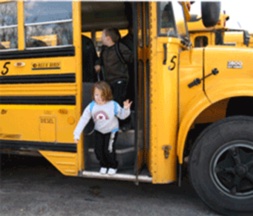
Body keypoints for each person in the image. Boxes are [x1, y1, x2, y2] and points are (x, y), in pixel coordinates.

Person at [73, 81, 132, 175]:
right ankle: (104, 165)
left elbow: (122, 116)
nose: (99, 98)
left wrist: (126, 109)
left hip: (111, 131)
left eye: (102, 95)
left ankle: (113, 165)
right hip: (99, 131)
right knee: (98, 150)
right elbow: (83, 119)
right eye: (96, 95)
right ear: (93, 94)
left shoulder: (113, 105)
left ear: (107, 94)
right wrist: (76, 134)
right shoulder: (92, 106)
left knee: (108, 150)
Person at [94, 28, 133, 106]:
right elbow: (100, 60)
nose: (101, 38)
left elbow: (131, 59)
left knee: (118, 102)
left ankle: (121, 117)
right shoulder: (104, 50)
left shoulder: (120, 48)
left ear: (108, 38)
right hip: (108, 82)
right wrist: (98, 64)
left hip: (120, 80)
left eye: (102, 36)